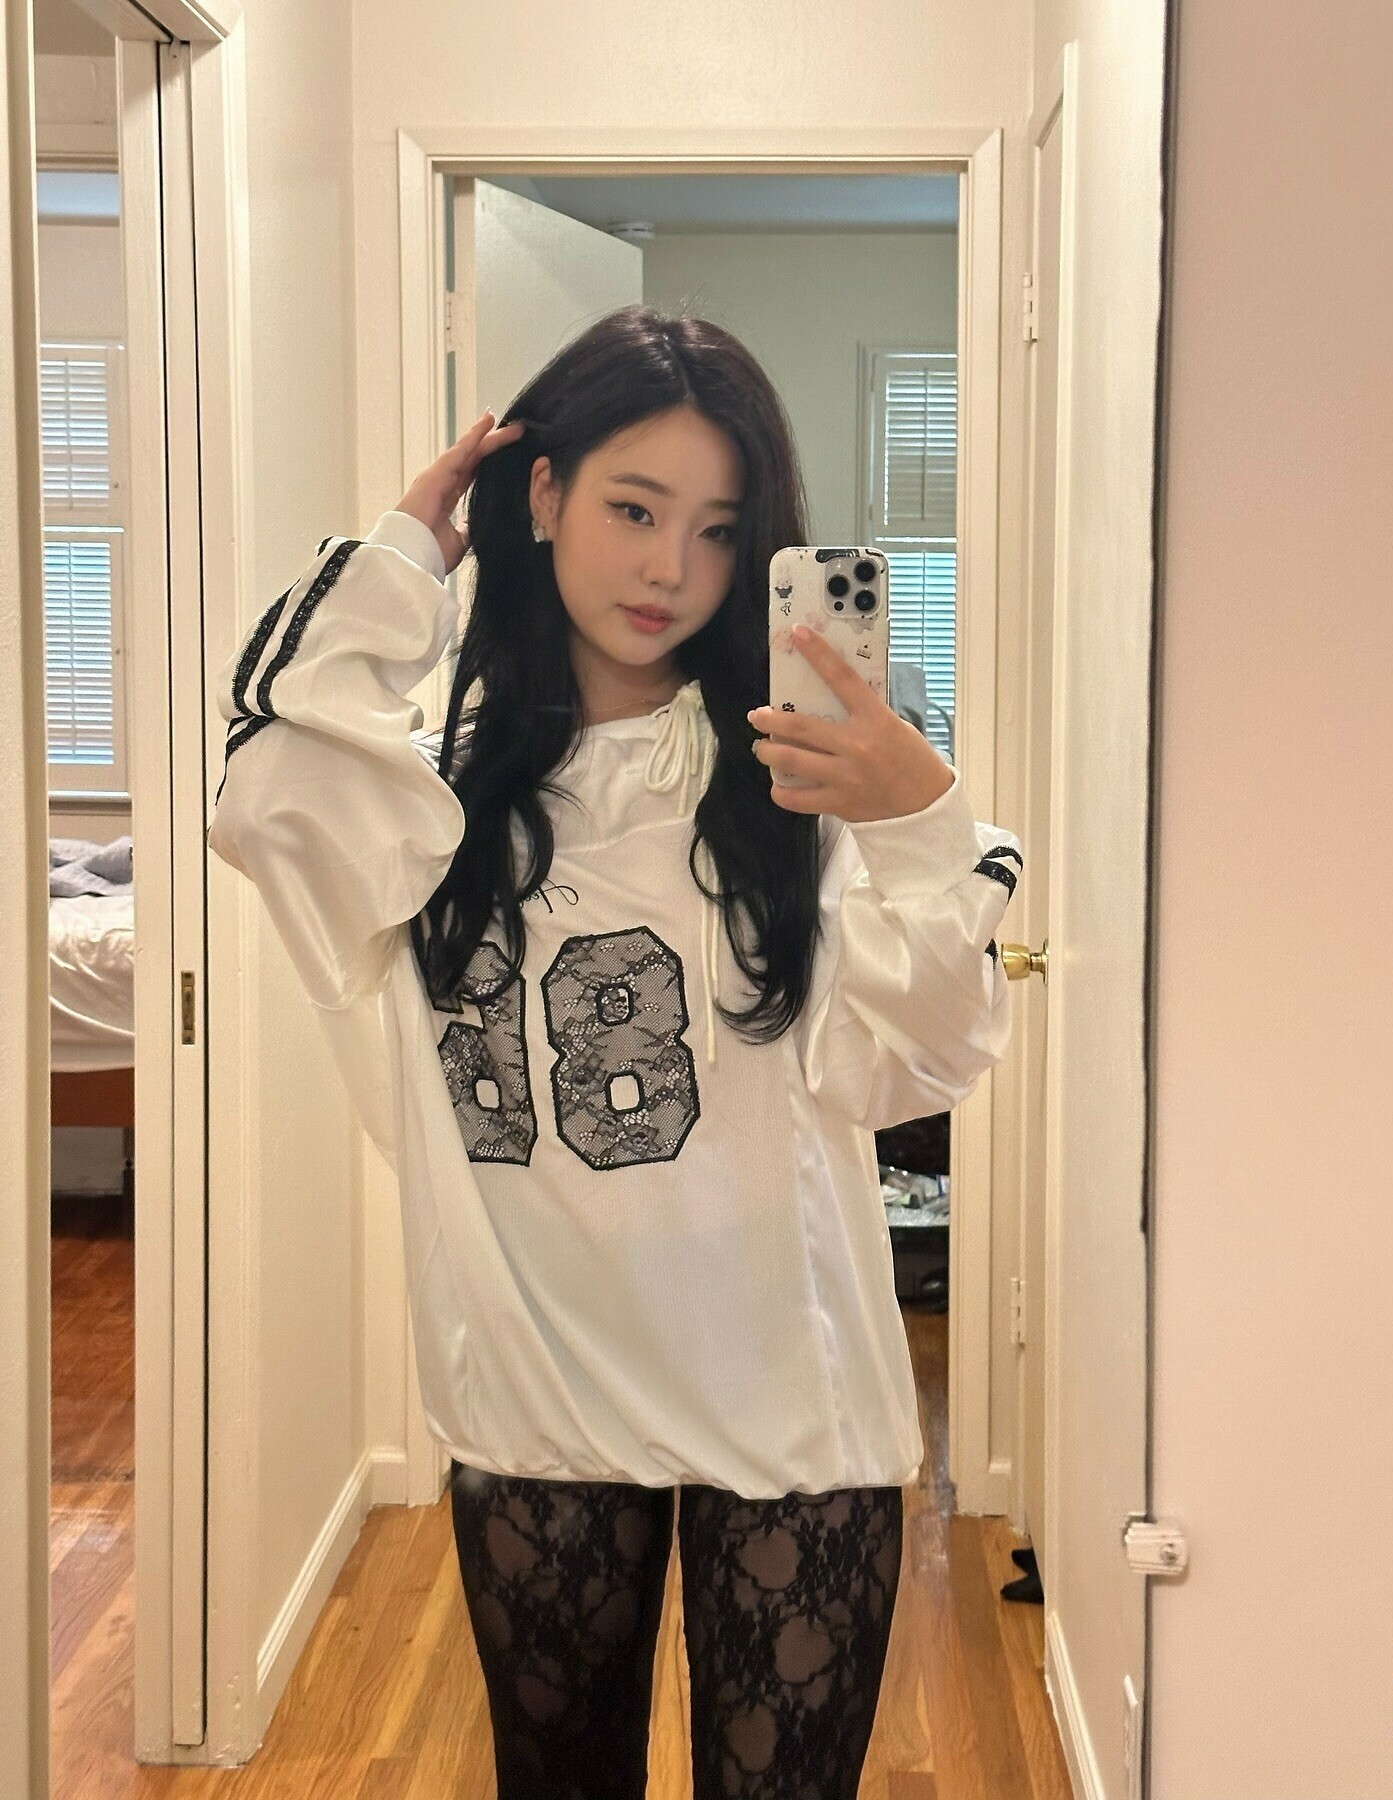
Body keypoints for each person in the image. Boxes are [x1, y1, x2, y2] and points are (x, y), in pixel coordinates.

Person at [207, 304, 1023, 1800]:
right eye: (634, 509)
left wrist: (919, 818)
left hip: (793, 1407)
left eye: (717, 531)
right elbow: (261, 774)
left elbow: (915, 1069)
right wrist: (403, 553)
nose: (669, 569)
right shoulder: (428, 806)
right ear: (540, 494)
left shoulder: (795, 787)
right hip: (540, 1401)